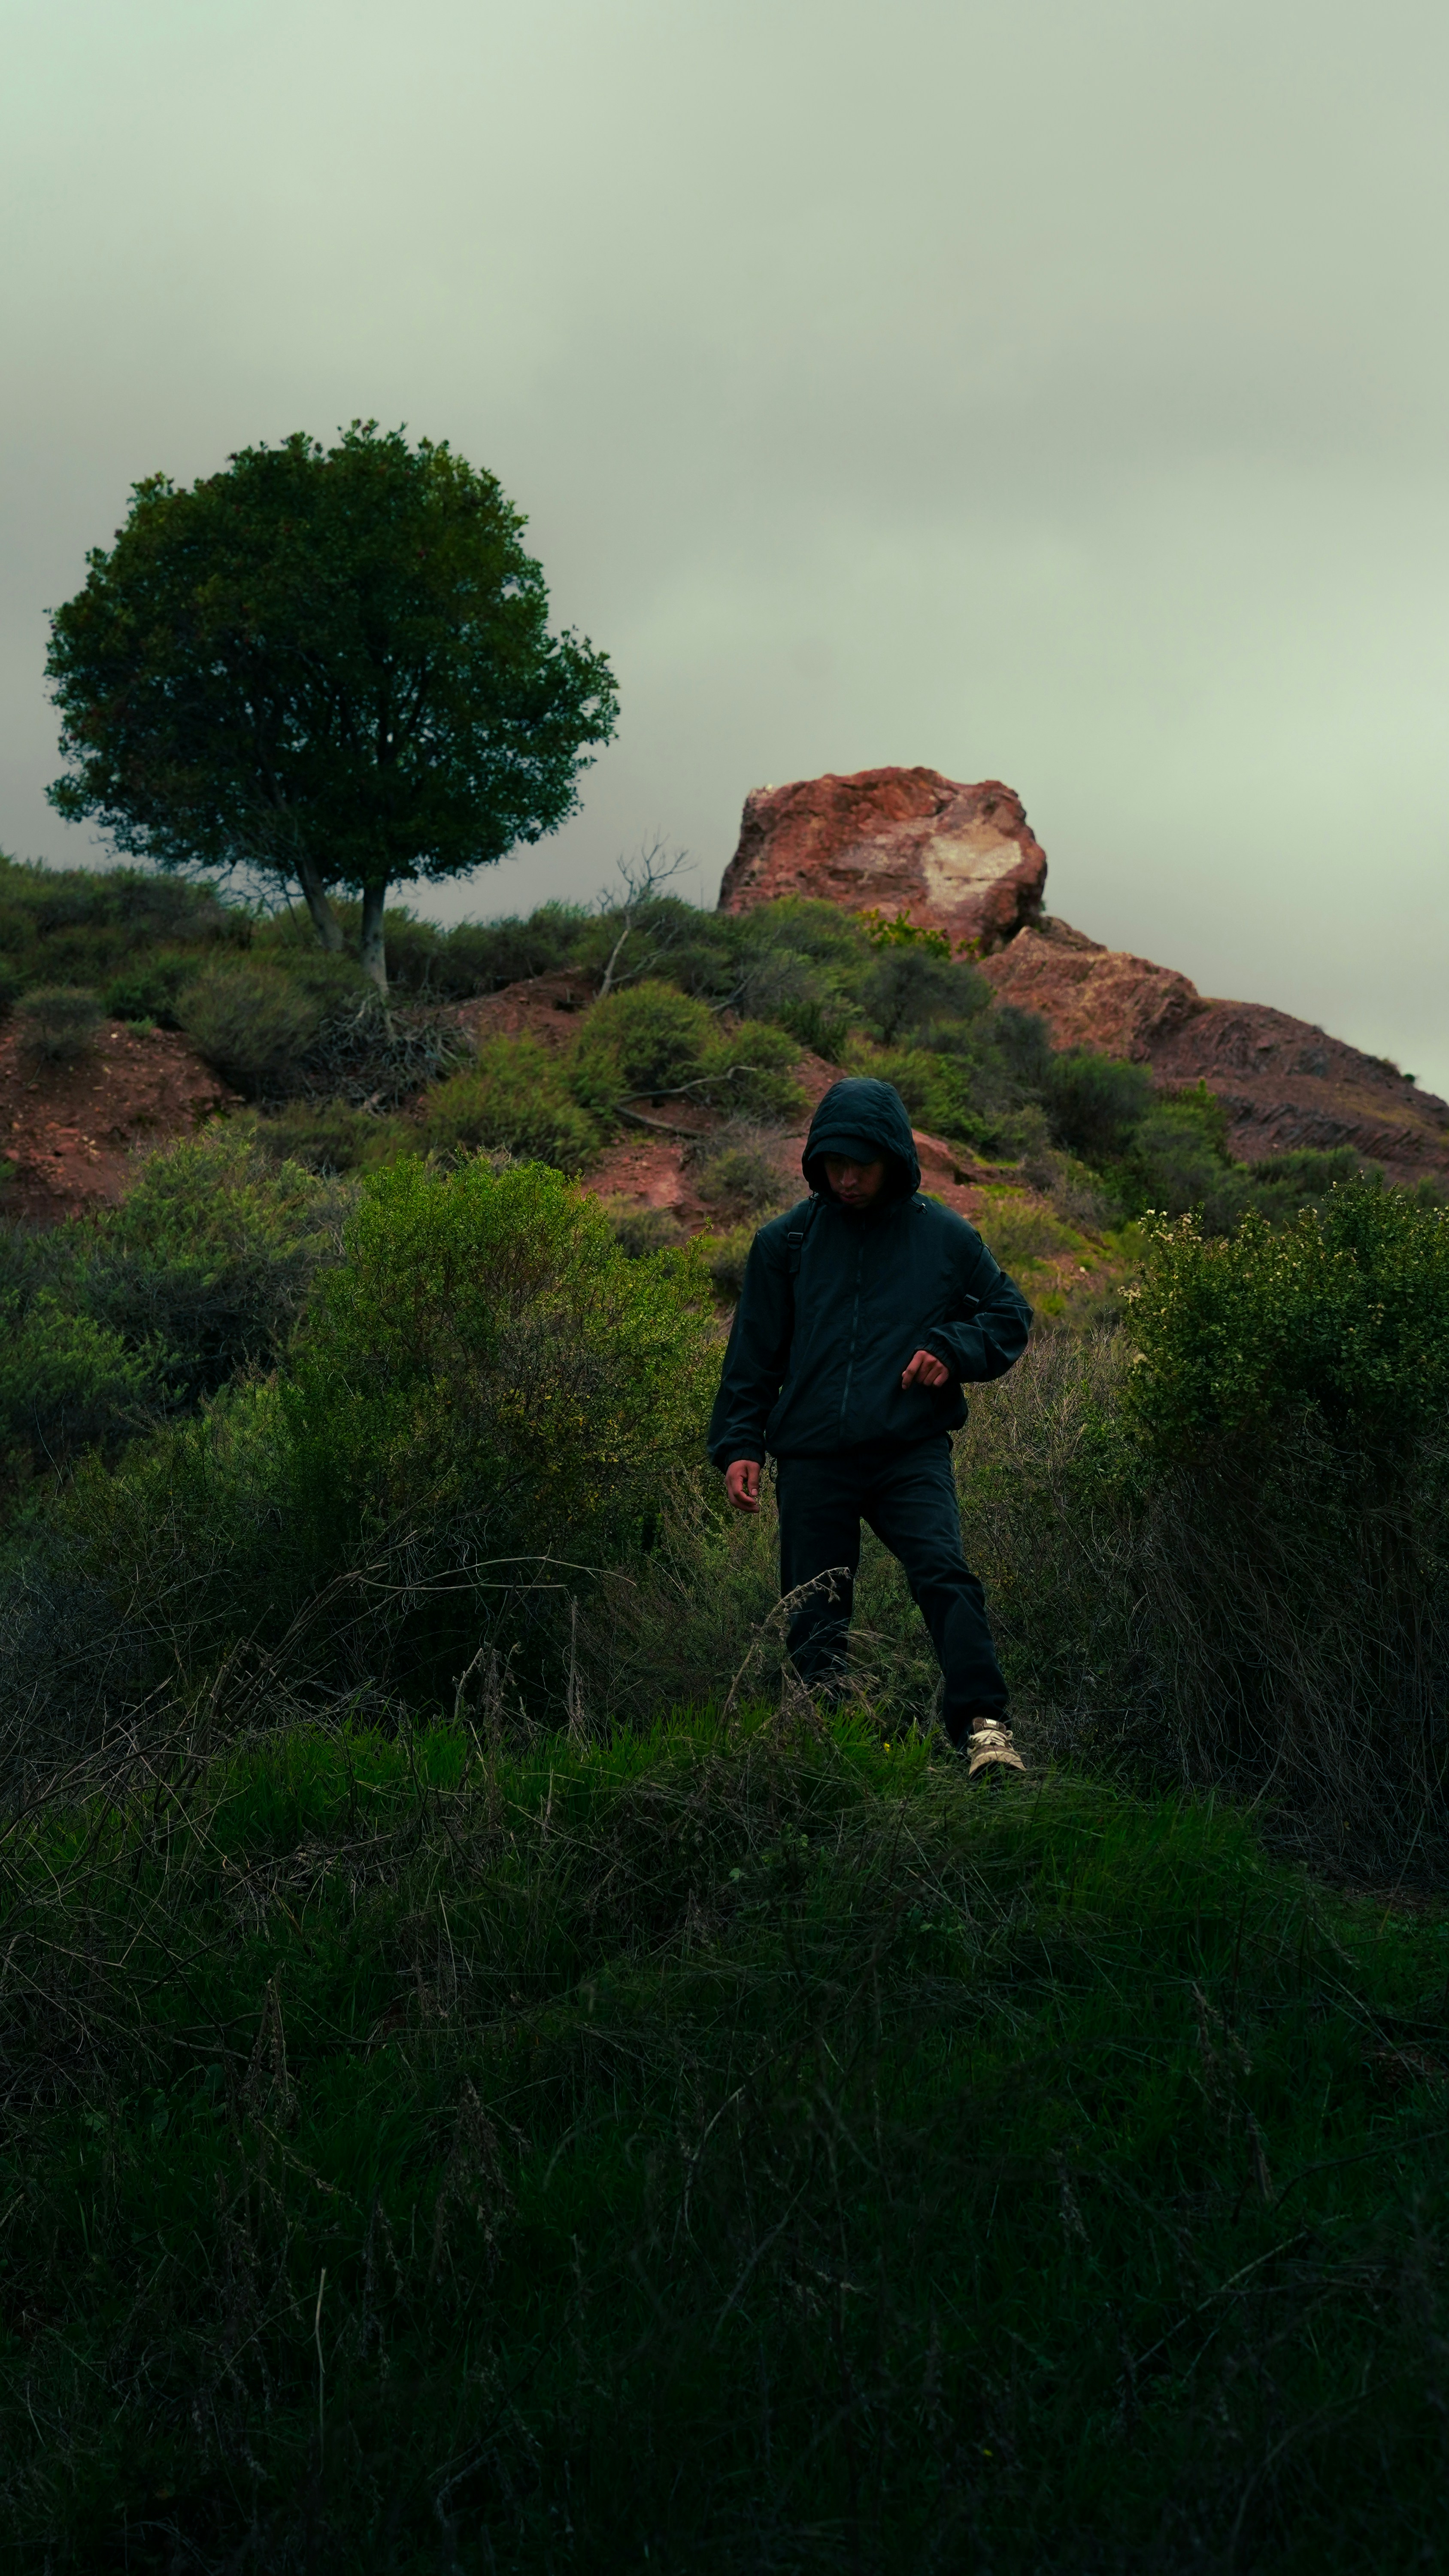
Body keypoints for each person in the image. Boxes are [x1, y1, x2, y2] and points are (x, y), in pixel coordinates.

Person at [708, 1076, 1033, 1776]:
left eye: (861, 1164)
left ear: (893, 1160)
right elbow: (753, 1359)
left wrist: (952, 1349)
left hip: (908, 1451)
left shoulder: (943, 1236)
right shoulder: (786, 1242)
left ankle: (985, 1730)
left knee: (944, 1575)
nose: (847, 1180)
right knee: (815, 1606)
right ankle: (826, 1744)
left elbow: (1010, 1316)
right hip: (813, 1457)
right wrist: (739, 1444)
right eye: (834, 1164)